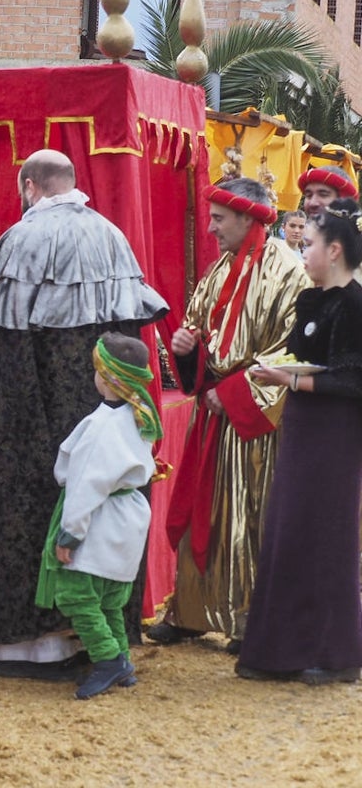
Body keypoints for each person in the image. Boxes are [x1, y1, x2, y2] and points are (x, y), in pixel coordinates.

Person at [0, 149, 168, 681]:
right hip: (109, 416)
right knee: (98, 517)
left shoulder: (17, 243)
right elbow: (133, 348)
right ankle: (95, 643)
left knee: (30, 514)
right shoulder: (114, 238)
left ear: (30, 186)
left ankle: (33, 649)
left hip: (33, 423)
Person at [148, 177, 310, 651]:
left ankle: (249, 618)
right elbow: (200, 333)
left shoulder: (289, 273)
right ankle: (193, 613)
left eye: (220, 219)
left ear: (247, 217)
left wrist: (237, 393)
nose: (212, 228)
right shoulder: (218, 270)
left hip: (254, 425)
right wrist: (185, 350)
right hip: (213, 416)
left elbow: (294, 350)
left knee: (250, 518)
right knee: (206, 512)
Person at [236, 199, 362, 685]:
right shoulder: (312, 299)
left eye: (308, 245)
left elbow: (354, 381)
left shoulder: (354, 304)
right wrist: (280, 373)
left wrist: (290, 381)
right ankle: (278, 649)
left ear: (334, 250)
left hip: (336, 431)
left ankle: (333, 653)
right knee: (289, 528)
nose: (301, 253)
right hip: (304, 424)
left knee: (325, 534)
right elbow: (298, 355)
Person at [36, 333, 161, 699]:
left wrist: (70, 534)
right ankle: (121, 659)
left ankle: (109, 661)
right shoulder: (138, 417)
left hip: (99, 518)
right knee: (109, 598)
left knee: (76, 593)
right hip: (128, 514)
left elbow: (85, 485)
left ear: (105, 377)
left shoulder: (102, 428)